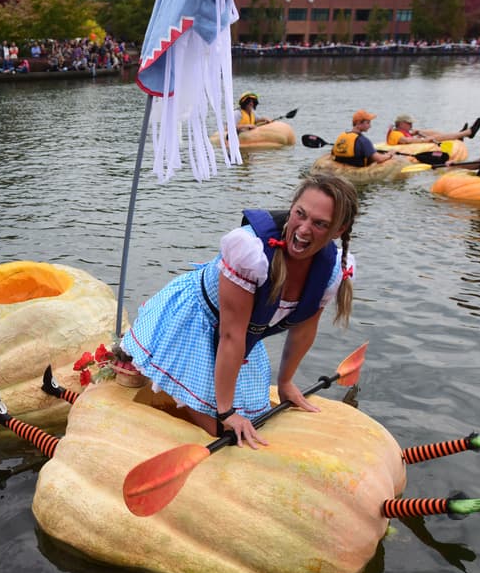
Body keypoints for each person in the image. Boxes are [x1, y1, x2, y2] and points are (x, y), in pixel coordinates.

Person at [119, 174, 359, 448]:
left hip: (242, 337)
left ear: (339, 230)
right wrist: (226, 412)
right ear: (291, 207)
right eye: (300, 215)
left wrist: (286, 383)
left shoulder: (331, 270)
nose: (304, 230)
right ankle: (135, 362)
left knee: (251, 419)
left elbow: (303, 330)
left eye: (319, 224)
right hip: (194, 320)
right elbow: (231, 335)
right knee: (219, 432)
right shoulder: (251, 251)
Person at [385, 113, 480, 146]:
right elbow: (407, 140)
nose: (411, 124)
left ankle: (459, 135)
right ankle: (467, 133)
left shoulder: (400, 131)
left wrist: (418, 132)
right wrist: (425, 139)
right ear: (401, 124)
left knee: (429, 132)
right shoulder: (396, 134)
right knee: (435, 137)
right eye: (409, 123)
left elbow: (410, 135)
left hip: (408, 142)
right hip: (407, 148)